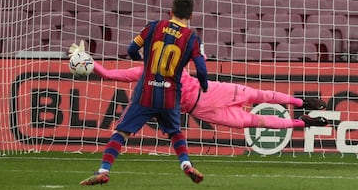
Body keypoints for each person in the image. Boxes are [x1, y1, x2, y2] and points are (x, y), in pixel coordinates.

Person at [76, 0, 208, 185]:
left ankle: (104, 170)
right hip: (169, 95)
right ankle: (186, 164)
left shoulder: (152, 26)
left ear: (170, 12)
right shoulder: (193, 39)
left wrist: (145, 64)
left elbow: (131, 49)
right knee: (175, 132)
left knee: (121, 132)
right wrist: (203, 85)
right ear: (192, 16)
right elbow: (201, 69)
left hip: (146, 91)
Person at [90, 61, 328, 129]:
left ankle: (301, 101)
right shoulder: (143, 71)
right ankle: (302, 122)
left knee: (258, 95)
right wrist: (92, 65)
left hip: (213, 91)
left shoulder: (175, 60)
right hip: (203, 110)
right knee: (255, 121)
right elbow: (112, 75)